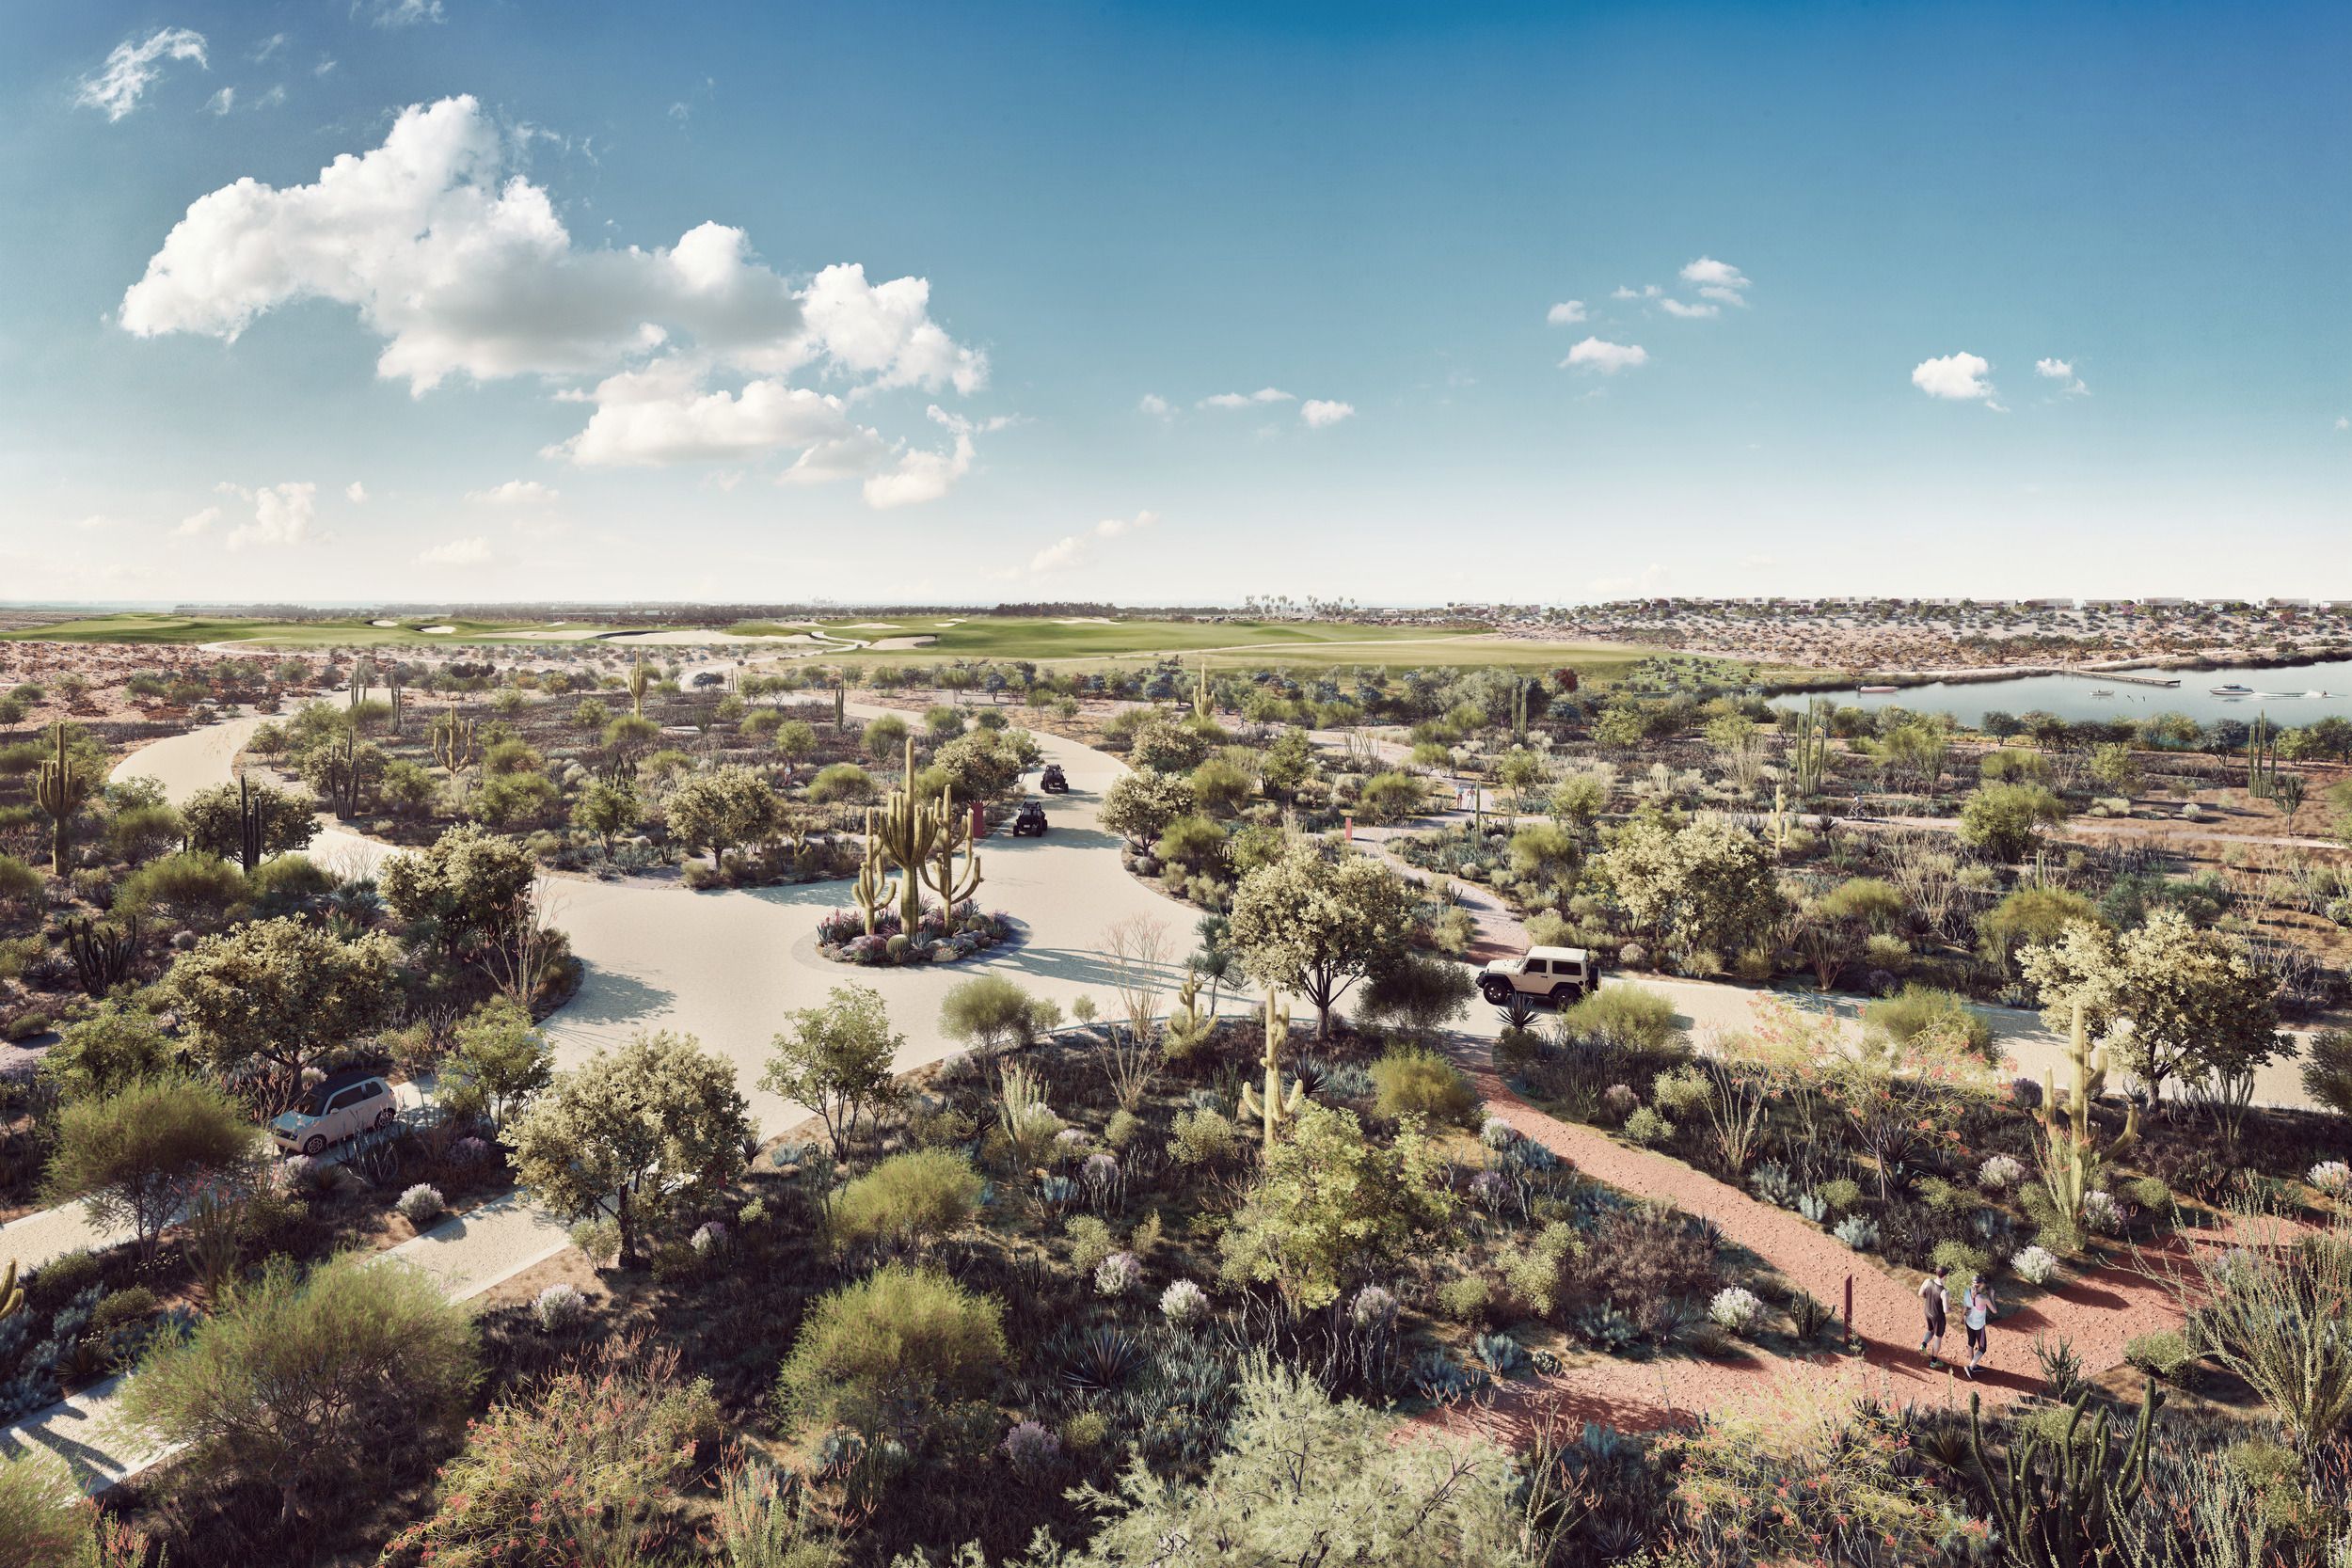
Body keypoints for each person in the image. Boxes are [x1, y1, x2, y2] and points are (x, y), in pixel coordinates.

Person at [1963, 1275, 1998, 1377]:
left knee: (1971, 1342)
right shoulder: (1984, 1298)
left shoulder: (1967, 1292)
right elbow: (1995, 1311)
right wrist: (1991, 1296)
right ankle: (1970, 1367)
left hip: (1968, 1322)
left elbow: (1965, 1307)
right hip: (1978, 1326)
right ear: (1981, 1284)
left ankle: (1973, 1366)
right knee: (1982, 1348)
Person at [1918, 1272, 1948, 1367]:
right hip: (1938, 1317)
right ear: (1945, 1276)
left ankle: (1923, 1344)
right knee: (1938, 1337)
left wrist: (1929, 1299)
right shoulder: (1944, 1292)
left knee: (1930, 1330)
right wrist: (1952, 1309)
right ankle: (1934, 1361)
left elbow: (1920, 1294)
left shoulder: (1927, 1281)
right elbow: (1946, 1310)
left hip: (1928, 1311)